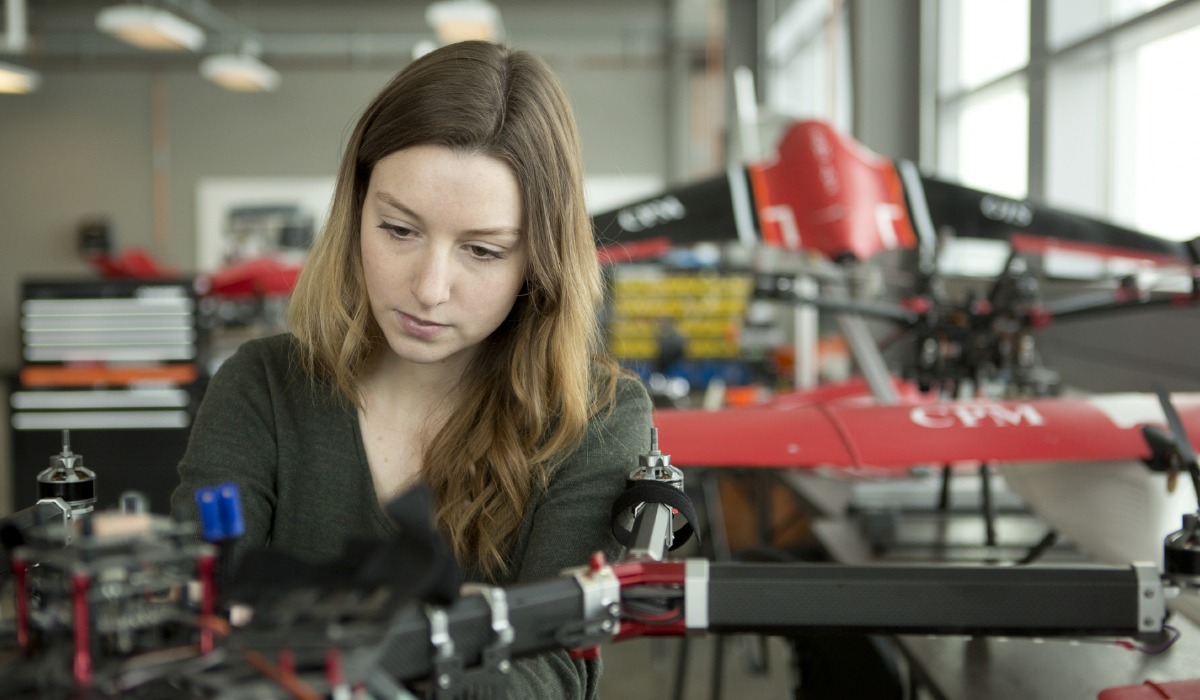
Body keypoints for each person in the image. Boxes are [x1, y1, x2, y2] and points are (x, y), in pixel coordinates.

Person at [171, 40, 654, 697]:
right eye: (399, 230)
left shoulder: (595, 417)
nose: (429, 288)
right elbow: (187, 630)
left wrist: (303, 646)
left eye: (482, 250)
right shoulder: (261, 388)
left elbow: (553, 673)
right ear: (355, 213)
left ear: (539, 259)